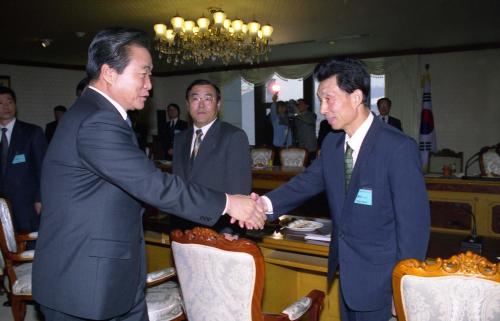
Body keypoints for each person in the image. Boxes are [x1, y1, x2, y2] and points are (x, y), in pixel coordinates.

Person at [32, 27, 265, 321]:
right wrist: (230, 203)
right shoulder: (97, 120)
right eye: (142, 74)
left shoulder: (96, 114)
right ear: (109, 73)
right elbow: (152, 184)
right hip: (85, 282)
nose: (149, 85)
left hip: (110, 277)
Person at [253, 58, 430, 321]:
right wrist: (262, 206)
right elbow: (304, 184)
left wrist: (403, 287)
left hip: (383, 283)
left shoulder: (397, 147)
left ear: (356, 97)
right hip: (345, 275)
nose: (322, 109)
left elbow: (414, 226)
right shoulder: (334, 144)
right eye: (320, 99)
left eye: (329, 99)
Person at [170, 79, 252, 234]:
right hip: (183, 227)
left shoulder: (233, 136)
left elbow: (240, 190)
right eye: (195, 99)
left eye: (208, 99)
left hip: (218, 228)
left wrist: (230, 232)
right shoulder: (180, 139)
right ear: (187, 105)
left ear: (218, 104)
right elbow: (177, 184)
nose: (201, 105)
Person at [0, 86, 47, 234]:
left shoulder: (32, 132)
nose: (6, 107)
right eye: (0, 103)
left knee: (32, 251)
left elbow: (44, 168)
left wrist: (41, 198)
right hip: (2, 208)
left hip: (27, 205)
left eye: (9, 102)